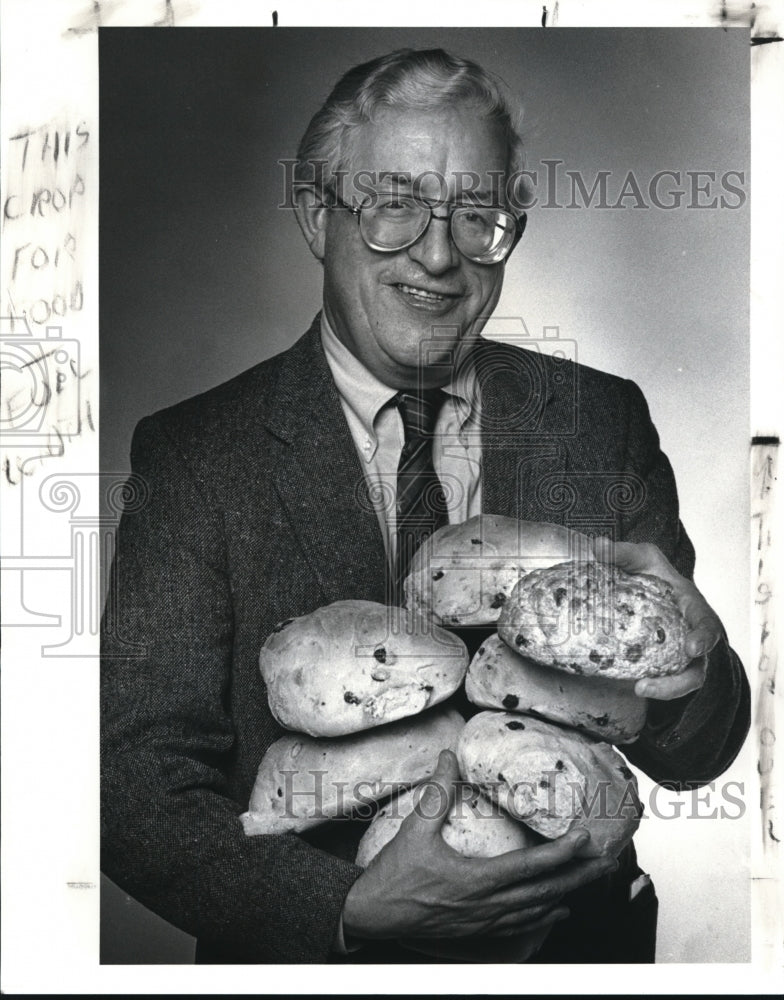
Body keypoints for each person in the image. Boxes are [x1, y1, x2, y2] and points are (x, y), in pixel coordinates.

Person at [100, 48, 750, 965]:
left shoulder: (595, 421)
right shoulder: (198, 457)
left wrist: (693, 663)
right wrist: (346, 908)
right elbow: (134, 781)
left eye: (476, 213)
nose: (439, 254)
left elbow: (699, 754)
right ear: (313, 214)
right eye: (393, 205)